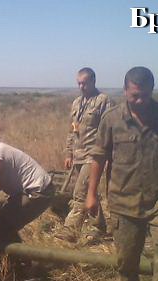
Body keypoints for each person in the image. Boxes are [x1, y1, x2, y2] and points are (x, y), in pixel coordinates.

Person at [85, 67, 158, 281]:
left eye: (145, 96)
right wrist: (91, 194)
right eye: (134, 96)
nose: (139, 101)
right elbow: (98, 157)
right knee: (127, 257)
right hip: (122, 198)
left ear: (152, 91)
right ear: (125, 91)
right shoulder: (112, 119)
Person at [58, 67, 113, 245]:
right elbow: (71, 130)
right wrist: (69, 152)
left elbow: (108, 130)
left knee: (80, 194)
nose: (81, 86)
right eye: (79, 83)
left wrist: (106, 155)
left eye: (85, 83)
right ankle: (100, 226)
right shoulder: (76, 103)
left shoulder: (103, 101)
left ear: (93, 81)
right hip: (78, 154)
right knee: (90, 193)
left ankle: (70, 231)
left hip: (94, 155)